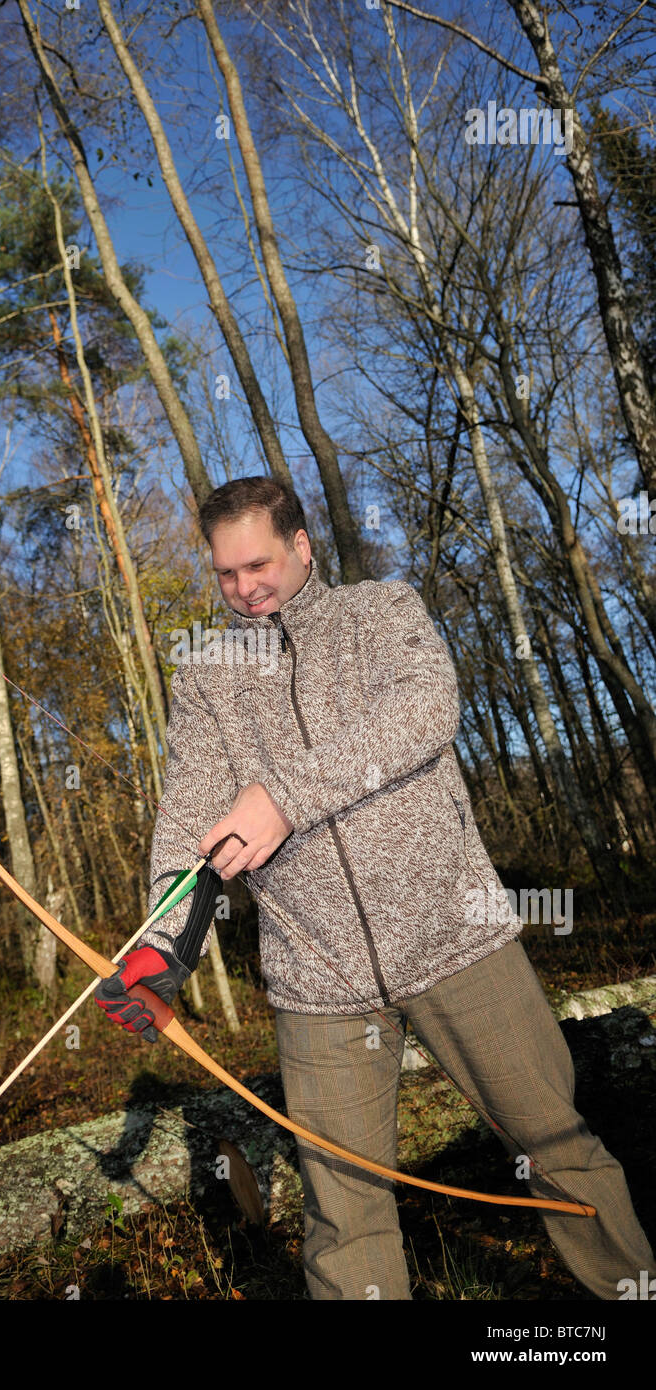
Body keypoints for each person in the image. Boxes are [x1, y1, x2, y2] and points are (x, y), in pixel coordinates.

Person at [96, 476, 653, 1301]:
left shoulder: (380, 613)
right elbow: (187, 822)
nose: (243, 589)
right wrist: (161, 946)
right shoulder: (208, 675)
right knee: (343, 1210)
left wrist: (283, 797)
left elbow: (426, 711)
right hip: (316, 981)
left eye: (258, 565)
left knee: (558, 1145)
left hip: (453, 937)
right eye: (225, 574)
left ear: (302, 545)